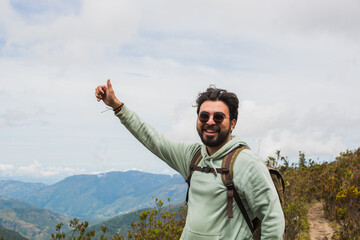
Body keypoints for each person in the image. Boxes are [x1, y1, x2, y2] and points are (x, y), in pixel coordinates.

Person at [95, 79, 285, 239]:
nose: (210, 121)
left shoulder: (246, 163)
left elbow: (273, 218)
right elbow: (152, 139)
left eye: (218, 117)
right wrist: (117, 106)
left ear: (232, 123)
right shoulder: (192, 157)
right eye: (204, 116)